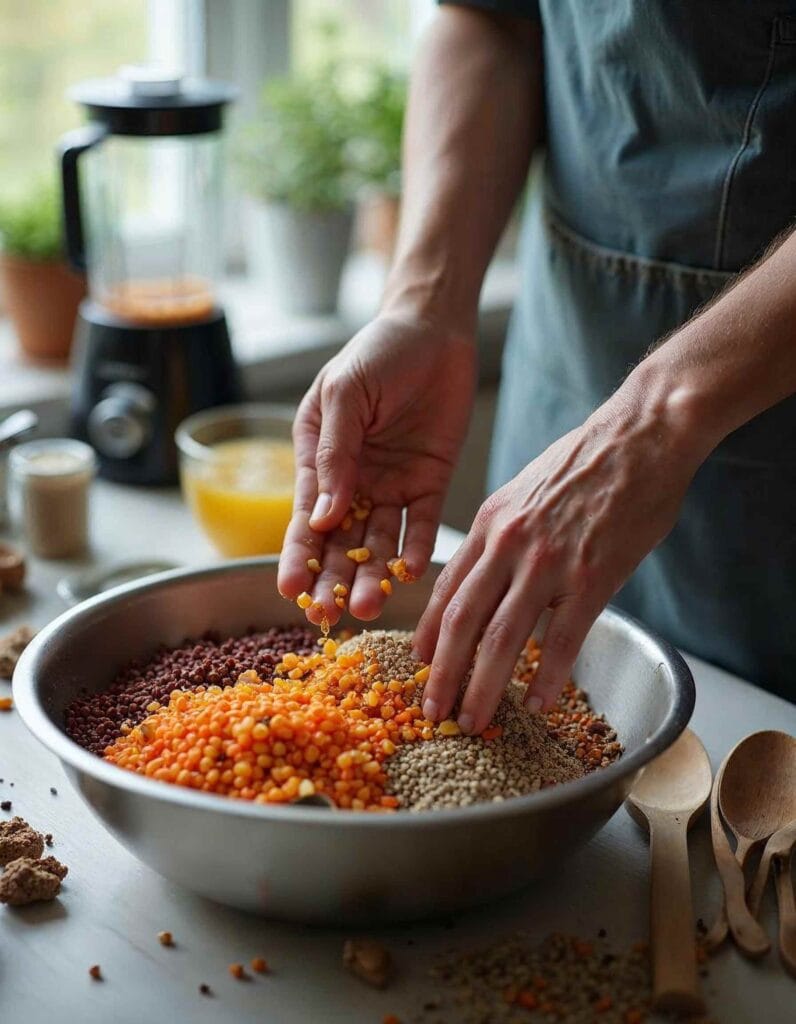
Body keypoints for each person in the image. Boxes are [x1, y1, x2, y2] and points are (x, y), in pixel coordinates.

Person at [278, 1, 796, 734]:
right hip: (568, 373)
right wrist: (425, 301)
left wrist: (652, 420)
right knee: (524, 692)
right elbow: (493, 20)